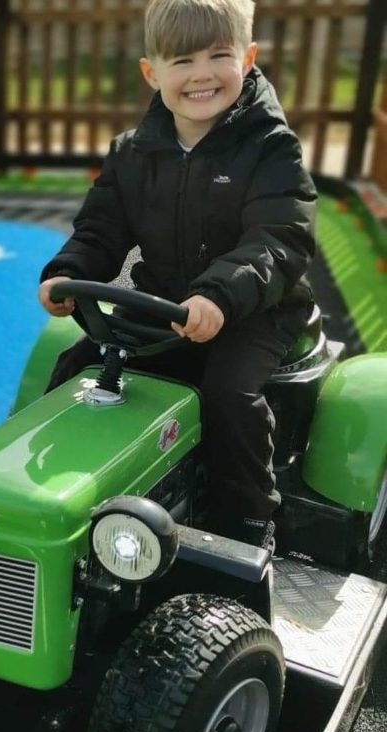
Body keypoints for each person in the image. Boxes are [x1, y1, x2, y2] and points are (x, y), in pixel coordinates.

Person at [37, 0, 316, 550]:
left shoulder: (272, 149)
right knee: (78, 364)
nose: (201, 74)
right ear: (152, 72)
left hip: (256, 310)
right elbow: (101, 230)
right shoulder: (133, 152)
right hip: (166, 300)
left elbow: (278, 239)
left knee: (228, 393)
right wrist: (67, 271)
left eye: (219, 55)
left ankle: (249, 526)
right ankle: (45, 494)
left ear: (249, 57)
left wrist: (219, 294)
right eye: (183, 60)